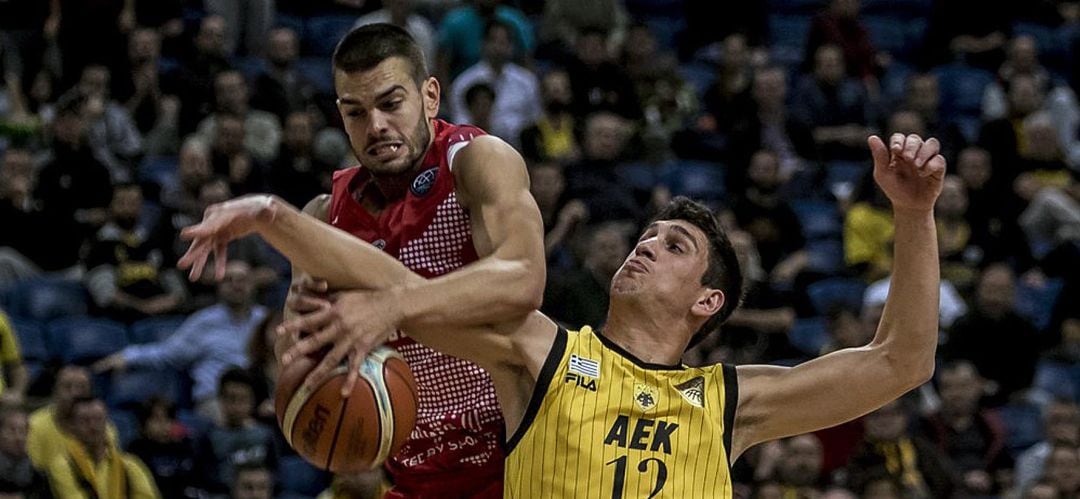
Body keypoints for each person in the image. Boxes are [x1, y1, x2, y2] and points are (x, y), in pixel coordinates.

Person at [179, 132, 946, 497]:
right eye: (646, 234)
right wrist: (277, 219)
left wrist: (914, 213)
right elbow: (399, 281)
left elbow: (899, 361)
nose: (645, 245)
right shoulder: (542, 352)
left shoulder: (729, 403)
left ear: (707, 301)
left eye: (672, 245)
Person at [249, 23, 545, 498]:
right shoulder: (325, 218)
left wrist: (394, 306)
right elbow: (298, 367)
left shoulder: (476, 161)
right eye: (356, 112)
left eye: (391, 104)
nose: (376, 126)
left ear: (430, 96)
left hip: (521, 463)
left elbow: (525, 280)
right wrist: (308, 360)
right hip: (412, 477)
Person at [44, 397, 160, 499]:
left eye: (98, 419)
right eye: (85, 421)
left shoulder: (130, 465)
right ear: (72, 427)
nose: (93, 426)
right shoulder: (63, 465)